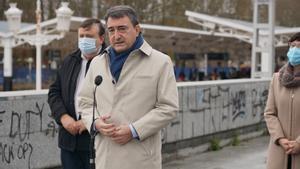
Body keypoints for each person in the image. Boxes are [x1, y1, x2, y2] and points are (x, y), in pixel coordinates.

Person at [77, 5, 178, 169]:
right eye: (111, 30)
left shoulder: (161, 62)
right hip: (105, 158)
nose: (116, 36)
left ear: (137, 29)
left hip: (141, 159)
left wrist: (133, 130)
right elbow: (85, 102)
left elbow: (168, 107)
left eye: (122, 29)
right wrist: (95, 123)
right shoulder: (97, 62)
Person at [48, 18, 106, 169]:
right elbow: (54, 92)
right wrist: (63, 117)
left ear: (101, 38)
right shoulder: (69, 61)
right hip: (69, 141)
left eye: (89, 36)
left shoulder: (110, 63)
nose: (84, 40)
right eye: (81, 36)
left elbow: (117, 99)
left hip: (97, 142)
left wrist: (88, 121)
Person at [264, 32, 300, 169]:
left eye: (299, 47)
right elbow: (270, 113)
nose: (295, 50)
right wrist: (280, 139)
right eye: (293, 46)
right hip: (279, 151)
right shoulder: (276, 79)